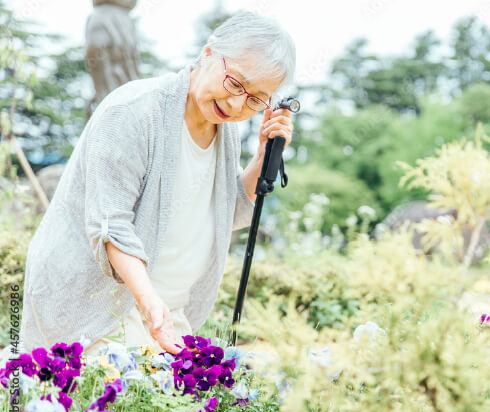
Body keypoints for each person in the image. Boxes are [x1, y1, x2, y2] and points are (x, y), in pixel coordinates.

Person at [19, 10, 296, 356]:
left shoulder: (227, 130)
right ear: (208, 53)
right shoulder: (133, 111)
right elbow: (111, 228)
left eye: (256, 99)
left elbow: (232, 211)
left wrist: (263, 156)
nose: (237, 103)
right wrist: (150, 303)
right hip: (100, 311)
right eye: (235, 83)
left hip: (165, 315)